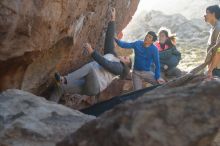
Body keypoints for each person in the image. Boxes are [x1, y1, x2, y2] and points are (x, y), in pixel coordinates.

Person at [50, 8, 131, 102]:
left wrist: (92, 52)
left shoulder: (120, 69)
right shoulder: (112, 55)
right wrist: (113, 20)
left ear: (126, 65)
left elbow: (106, 64)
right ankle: (47, 108)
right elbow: (109, 39)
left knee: (90, 68)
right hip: (88, 83)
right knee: (60, 87)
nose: (124, 56)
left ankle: (64, 79)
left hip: (95, 85)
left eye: (126, 58)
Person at [204, 5, 220, 78]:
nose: (205, 15)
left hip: (217, 69)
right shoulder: (214, 28)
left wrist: (210, 70)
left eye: (207, 13)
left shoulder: (218, 28)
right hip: (214, 68)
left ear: (213, 14)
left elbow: (218, 51)